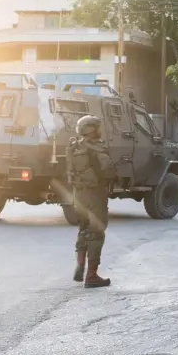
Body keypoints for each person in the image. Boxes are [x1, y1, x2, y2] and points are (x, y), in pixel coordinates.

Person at [66, 114, 115, 289]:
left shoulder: (74, 148)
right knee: (97, 232)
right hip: (95, 195)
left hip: (78, 194)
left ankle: (80, 263)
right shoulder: (97, 149)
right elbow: (108, 170)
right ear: (93, 130)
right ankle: (92, 275)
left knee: (83, 229)